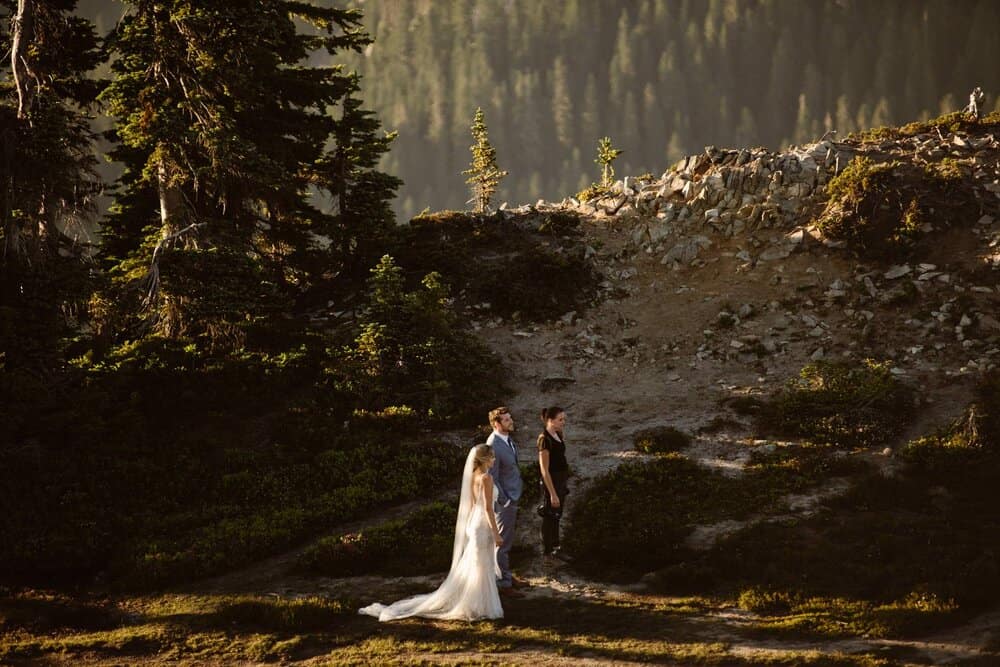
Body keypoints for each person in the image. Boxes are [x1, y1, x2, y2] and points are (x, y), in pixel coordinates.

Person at [359, 444, 504, 621]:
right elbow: (488, 509)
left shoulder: (473, 476)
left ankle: (476, 603)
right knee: (482, 565)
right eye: (492, 457)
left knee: (477, 565)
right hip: (483, 525)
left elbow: (474, 505)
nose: (494, 460)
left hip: (475, 524)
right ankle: (480, 605)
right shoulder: (486, 478)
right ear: (484, 459)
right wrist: (496, 533)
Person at [486, 406, 524, 592]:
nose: (510, 421)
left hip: (513, 495)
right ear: (496, 423)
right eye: (506, 420)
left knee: (507, 540)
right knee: (501, 542)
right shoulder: (493, 444)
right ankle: (502, 583)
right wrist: (504, 499)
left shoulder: (508, 440)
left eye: (510, 418)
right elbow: (491, 476)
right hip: (504, 501)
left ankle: (506, 575)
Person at [537, 406, 571, 562]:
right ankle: (547, 553)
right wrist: (552, 493)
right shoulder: (544, 439)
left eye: (563, 419)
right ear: (550, 420)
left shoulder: (558, 434)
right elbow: (544, 470)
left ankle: (556, 548)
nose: (563, 422)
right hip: (552, 481)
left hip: (561, 481)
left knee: (557, 515)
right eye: (560, 419)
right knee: (549, 516)